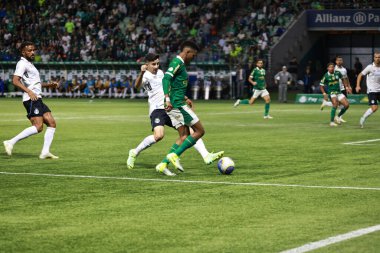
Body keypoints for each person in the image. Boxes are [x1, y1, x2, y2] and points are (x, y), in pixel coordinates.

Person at [127, 53, 224, 176]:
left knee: (190, 132)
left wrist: (184, 97)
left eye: (157, 63)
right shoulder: (146, 76)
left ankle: (206, 155)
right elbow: (136, 86)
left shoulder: (162, 73)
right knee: (159, 136)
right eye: (153, 64)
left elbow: (168, 88)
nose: (156, 66)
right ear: (147, 65)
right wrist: (141, 73)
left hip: (169, 106)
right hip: (157, 109)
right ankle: (134, 152)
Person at [156, 41, 223, 173]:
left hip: (177, 102)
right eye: (193, 55)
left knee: (184, 136)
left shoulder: (180, 64)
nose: (194, 58)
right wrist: (167, 98)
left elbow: (175, 85)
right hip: (177, 105)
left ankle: (163, 164)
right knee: (200, 131)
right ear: (187, 52)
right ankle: (174, 155)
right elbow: (165, 79)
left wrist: (185, 97)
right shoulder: (177, 63)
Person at [3, 41, 59, 159]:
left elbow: (35, 84)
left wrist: (49, 85)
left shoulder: (30, 64)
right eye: (30, 50)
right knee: (38, 127)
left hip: (37, 98)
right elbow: (15, 81)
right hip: (31, 99)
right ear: (23, 52)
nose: (33, 52)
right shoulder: (22, 64)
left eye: (34, 50)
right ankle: (10, 142)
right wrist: (29, 91)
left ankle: (45, 152)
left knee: (52, 123)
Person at [320, 56, 352, 122]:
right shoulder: (330, 71)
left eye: (341, 60)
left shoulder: (343, 70)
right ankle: (335, 119)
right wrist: (324, 93)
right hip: (333, 91)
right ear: (336, 61)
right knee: (336, 104)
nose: (339, 61)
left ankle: (338, 116)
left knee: (344, 104)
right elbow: (322, 84)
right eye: (338, 60)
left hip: (341, 89)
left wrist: (347, 87)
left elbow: (345, 78)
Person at [356, 52, 380, 128]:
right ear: (374, 58)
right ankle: (363, 118)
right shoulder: (370, 67)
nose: (377, 59)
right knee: (375, 108)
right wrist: (357, 86)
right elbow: (360, 75)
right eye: (376, 57)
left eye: (379, 57)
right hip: (372, 90)